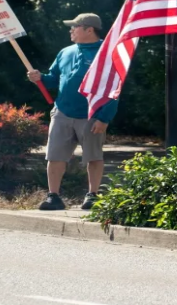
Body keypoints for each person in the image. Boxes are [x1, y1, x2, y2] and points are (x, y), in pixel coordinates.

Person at [27, 13, 118, 211]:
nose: (71, 30)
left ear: (89, 30)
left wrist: (104, 117)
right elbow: (53, 79)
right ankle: (54, 197)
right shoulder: (65, 52)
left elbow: (114, 88)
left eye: (75, 27)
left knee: (93, 156)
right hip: (62, 112)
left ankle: (92, 195)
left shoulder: (107, 53)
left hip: (92, 115)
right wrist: (39, 77)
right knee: (55, 155)